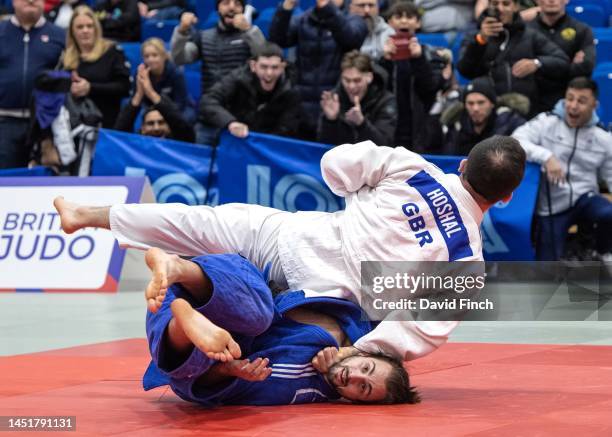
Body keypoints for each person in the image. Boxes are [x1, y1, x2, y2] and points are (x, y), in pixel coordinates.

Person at [53, 135, 526, 363]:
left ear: (462, 163)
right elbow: (419, 333)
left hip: (293, 239)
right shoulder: (468, 262)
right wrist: (357, 352)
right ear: (506, 198)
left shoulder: (411, 168)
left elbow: (334, 164)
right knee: (274, 353)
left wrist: (356, 193)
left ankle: (91, 216)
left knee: (202, 223)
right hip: (326, 303)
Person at [141, 248, 420, 406]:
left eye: (363, 389)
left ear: (356, 402)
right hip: (226, 279)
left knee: (197, 364)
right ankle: (179, 269)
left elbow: (200, 388)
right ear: (370, 353)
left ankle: (184, 321)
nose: (354, 376)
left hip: (170, 322)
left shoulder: (302, 388)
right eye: (366, 368)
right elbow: (444, 290)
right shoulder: (359, 320)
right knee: (258, 314)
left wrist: (229, 370)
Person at [512, 77, 612, 261]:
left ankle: (603, 251)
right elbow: (515, 140)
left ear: (594, 105)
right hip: (551, 207)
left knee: (608, 214)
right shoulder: (546, 122)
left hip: (584, 198)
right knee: (547, 265)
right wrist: (547, 156)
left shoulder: (604, 139)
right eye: (570, 98)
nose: (573, 106)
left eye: (581, 101)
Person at [268, 0, 368, 140]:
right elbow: (278, 40)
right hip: (302, 104)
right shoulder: (304, 20)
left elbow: (350, 39)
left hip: (337, 105)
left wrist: (328, 8)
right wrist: (286, 7)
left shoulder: (354, 19)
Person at [170, 0, 266, 145]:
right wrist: (181, 31)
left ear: (243, 9)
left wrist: (248, 29)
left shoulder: (250, 35)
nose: (232, 7)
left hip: (240, 119)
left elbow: (264, 59)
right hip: (208, 119)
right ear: (218, 8)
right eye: (226, 3)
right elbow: (179, 59)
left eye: (237, 4)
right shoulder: (204, 36)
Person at [457, 0, 569, 118]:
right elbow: (465, 70)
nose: (500, 8)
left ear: (516, 7)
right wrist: (480, 41)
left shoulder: (530, 35)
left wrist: (536, 63)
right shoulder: (476, 37)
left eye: (506, 4)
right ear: (489, 6)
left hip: (525, 113)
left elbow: (562, 60)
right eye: (495, 4)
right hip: (487, 116)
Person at [0, 0, 64, 169]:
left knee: (46, 186)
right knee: (6, 183)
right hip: (4, 122)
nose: (31, 0)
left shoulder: (60, 35)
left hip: (47, 125)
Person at [380, 1, 447, 150]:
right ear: (390, 22)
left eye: (409, 17)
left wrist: (419, 59)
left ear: (417, 23)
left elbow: (430, 89)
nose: (404, 21)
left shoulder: (431, 54)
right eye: (398, 16)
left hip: (419, 130)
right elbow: (377, 91)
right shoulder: (382, 56)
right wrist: (386, 61)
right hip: (390, 129)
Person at [199, 42, 301, 140]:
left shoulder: (291, 88)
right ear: (253, 66)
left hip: (270, 145)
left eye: (275, 67)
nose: (269, 73)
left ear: (283, 67)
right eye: (264, 67)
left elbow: (287, 127)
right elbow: (208, 100)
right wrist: (230, 122)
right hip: (237, 138)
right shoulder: (238, 78)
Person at [61, 5, 131, 128]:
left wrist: (90, 88)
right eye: (79, 27)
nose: (85, 30)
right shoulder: (65, 57)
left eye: (89, 26)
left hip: (107, 123)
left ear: (96, 29)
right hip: (75, 125)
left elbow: (125, 87)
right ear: (72, 31)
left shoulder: (112, 51)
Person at [527, 0, 596, 113]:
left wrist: (538, 65)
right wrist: (568, 64)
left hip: (568, 102)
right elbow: (518, 68)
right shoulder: (525, 31)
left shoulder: (582, 30)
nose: (551, 1)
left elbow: (586, 67)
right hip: (533, 102)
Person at [317, 50, 397, 146]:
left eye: (357, 80)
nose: (351, 86)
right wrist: (330, 121)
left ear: (369, 77)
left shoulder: (386, 101)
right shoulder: (334, 99)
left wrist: (362, 124)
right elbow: (323, 147)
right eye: (347, 80)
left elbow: (384, 145)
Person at [442, 76, 526, 155]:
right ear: (465, 105)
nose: (475, 108)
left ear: (492, 103)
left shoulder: (510, 122)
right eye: (470, 103)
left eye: (481, 102)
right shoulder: (456, 125)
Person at [114, 64, 195, 142]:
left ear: (169, 127)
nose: (156, 128)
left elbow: (183, 127)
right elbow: (118, 134)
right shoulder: (134, 148)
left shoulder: (179, 145)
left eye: (161, 122)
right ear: (142, 128)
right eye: (150, 123)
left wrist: (151, 93)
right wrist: (138, 95)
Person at [139, 37, 195, 124]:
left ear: (163, 56)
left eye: (154, 55)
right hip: (152, 110)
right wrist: (153, 113)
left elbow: (180, 103)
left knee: (185, 119)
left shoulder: (176, 73)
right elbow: (141, 102)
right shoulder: (141, 73)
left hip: (177, 108)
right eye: (147, 56)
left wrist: (164, 114)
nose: (150, 59)